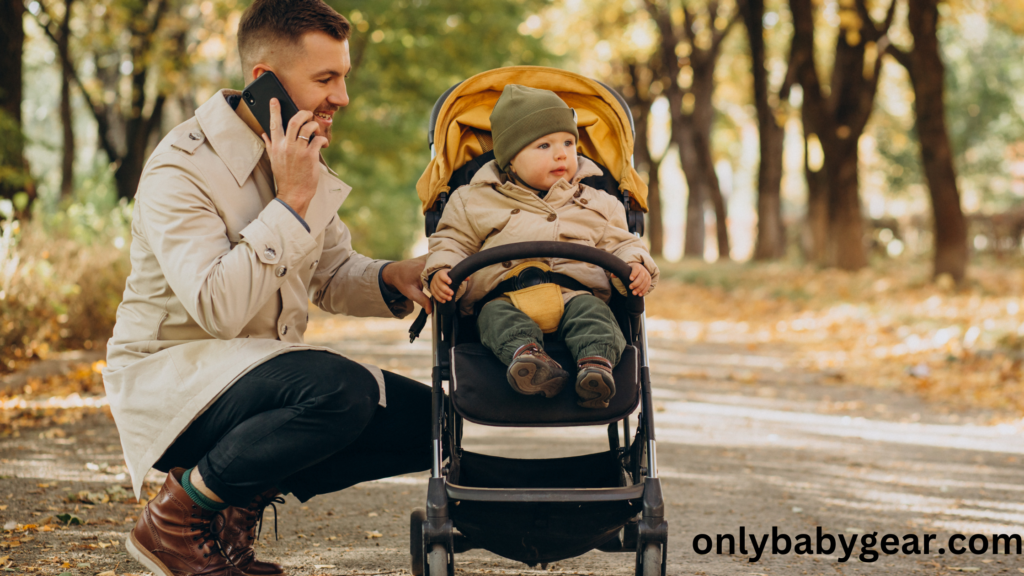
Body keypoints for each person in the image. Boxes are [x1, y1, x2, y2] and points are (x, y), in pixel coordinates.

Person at [102, 2, 433, 576]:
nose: (343, 98)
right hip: (173, 384)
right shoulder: (180, 170)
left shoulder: (294, 154)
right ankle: (175, 521)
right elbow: (217, 309)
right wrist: (291, 202)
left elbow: (329, 274)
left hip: (260, 377)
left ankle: (229, 518)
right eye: (326, 79)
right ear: (266, 83)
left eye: (343, 77)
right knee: (342, 389)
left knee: (431, 423)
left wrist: (393, 277)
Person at [424, 84, 659, 410]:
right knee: (494, 318)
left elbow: (622, 243)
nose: (562, 153)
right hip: (504, 296)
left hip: (575, 295)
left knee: (596, 316)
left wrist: (636, 267)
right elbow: (452, 241)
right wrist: (443, 271)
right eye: (544, 145)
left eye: (568, 142)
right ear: (509, 159)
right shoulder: (474, 200)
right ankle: (528, 361)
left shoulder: (598, 204)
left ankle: (595, 366)